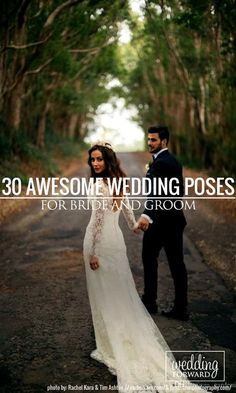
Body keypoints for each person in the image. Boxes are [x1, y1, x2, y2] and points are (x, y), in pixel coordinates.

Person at [83, 142, 206, 392]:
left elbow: (96, 221)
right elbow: (127, 212)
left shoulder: (98, 185)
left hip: (100, 245)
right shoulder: (117, 183)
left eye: (99, 159)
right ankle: (118, 337)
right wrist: (134, 226)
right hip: (116, 241)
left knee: (106, 295)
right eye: (92, 160)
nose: (95, 164)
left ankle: (110, 344)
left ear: (108, 161)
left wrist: (94, 252)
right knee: (119, 293)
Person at [137, 126, 189, 321]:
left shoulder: (159, 164)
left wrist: (147, 216)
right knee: (177, 264)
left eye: (153, 140)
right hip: (175, 219)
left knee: (149, 258)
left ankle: (150, 302)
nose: (150, 143)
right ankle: (180, 307)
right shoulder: (173, 161)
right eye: (149, 139)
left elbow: (156, 194)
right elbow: (179, 191)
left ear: (164, 141)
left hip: (160, 222)